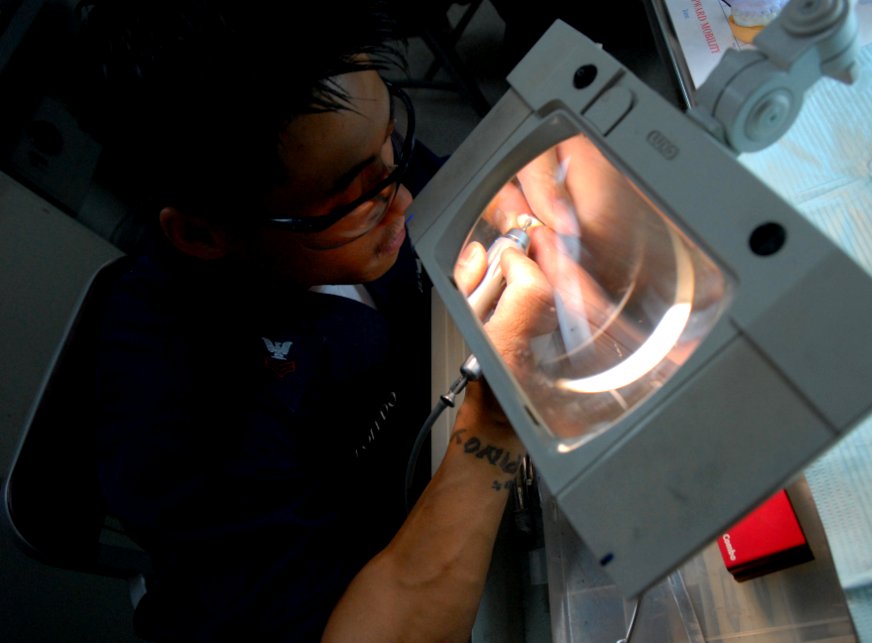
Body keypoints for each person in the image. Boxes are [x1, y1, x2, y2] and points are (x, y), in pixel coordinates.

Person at [71, 1, 553, 640]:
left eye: (389, 139)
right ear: (203, 233)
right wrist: (494, 419)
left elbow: (453, 197)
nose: (403, 199)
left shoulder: (336, 146)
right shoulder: (175, 419)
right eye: (355, 197)